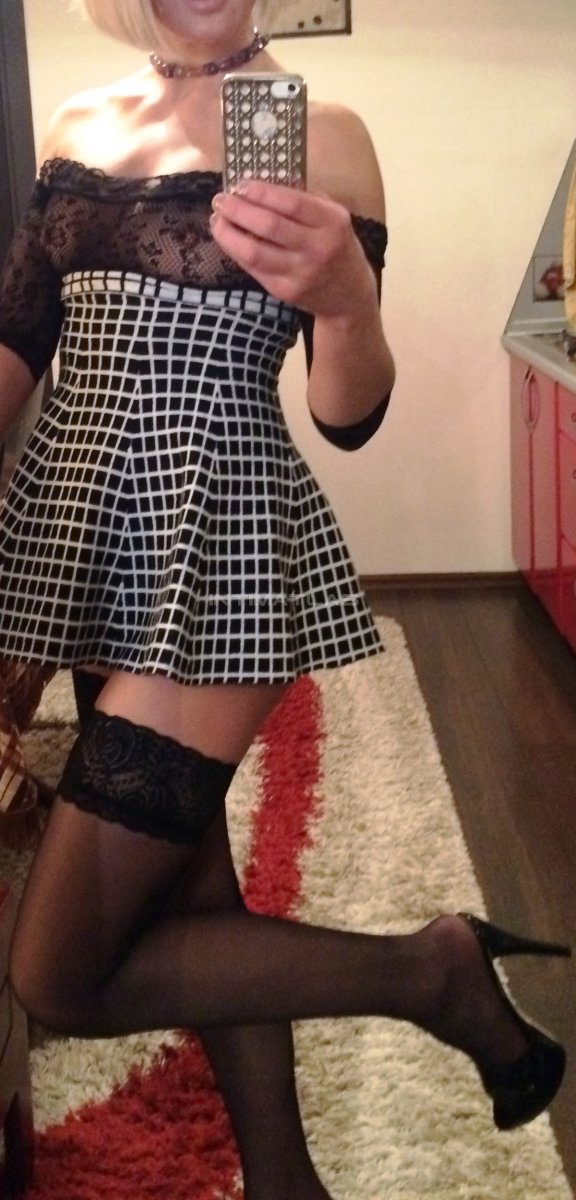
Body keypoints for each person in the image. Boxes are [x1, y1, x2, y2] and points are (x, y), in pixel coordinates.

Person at [0, 2, 569, 1195]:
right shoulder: (76, 123)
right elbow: (17, 345)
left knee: (60, 975)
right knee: (191, 883)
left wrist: (349, 301)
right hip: (82, 536)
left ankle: (434, 973)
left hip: (217, 544)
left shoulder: (326, 131)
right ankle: (283, 1178)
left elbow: (347, 413)